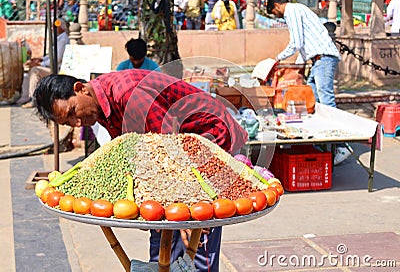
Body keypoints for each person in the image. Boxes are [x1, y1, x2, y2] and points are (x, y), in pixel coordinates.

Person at [33, 69, 248, 272]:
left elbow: (167, 147)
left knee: (197, 233)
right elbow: (137, 150)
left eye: (73, 112)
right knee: (160, 234)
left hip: (206, 136)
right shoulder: (101, 106)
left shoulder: (127, 93)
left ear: (80, 88)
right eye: (68, 122)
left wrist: (185, 208)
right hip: (174, 148)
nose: (77, 122)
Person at [267, 0, 351, 165]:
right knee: (314, 101)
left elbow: (296, 42)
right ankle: (322, 142)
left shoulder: (292, 11)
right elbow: (303, 45)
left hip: (324, 59)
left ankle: (342, 145)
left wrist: (277, 58)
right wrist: (297, 68)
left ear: (277, 5)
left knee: (326, 101)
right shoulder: (298, 10)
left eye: (275, 13)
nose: (278, 16)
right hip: (317, 60)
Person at [18, 18, 70, 107]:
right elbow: (51, 56)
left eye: (56, 26)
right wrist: (40, 59)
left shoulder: (63, 39)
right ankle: (25, 96)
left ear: (62, 27)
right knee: (29, 70)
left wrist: (40, 64)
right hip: (51, 65)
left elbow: (57, 58)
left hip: (56, 68)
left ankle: (33, 99)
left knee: (35, 71)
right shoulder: (59, 38)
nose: (54, 29)